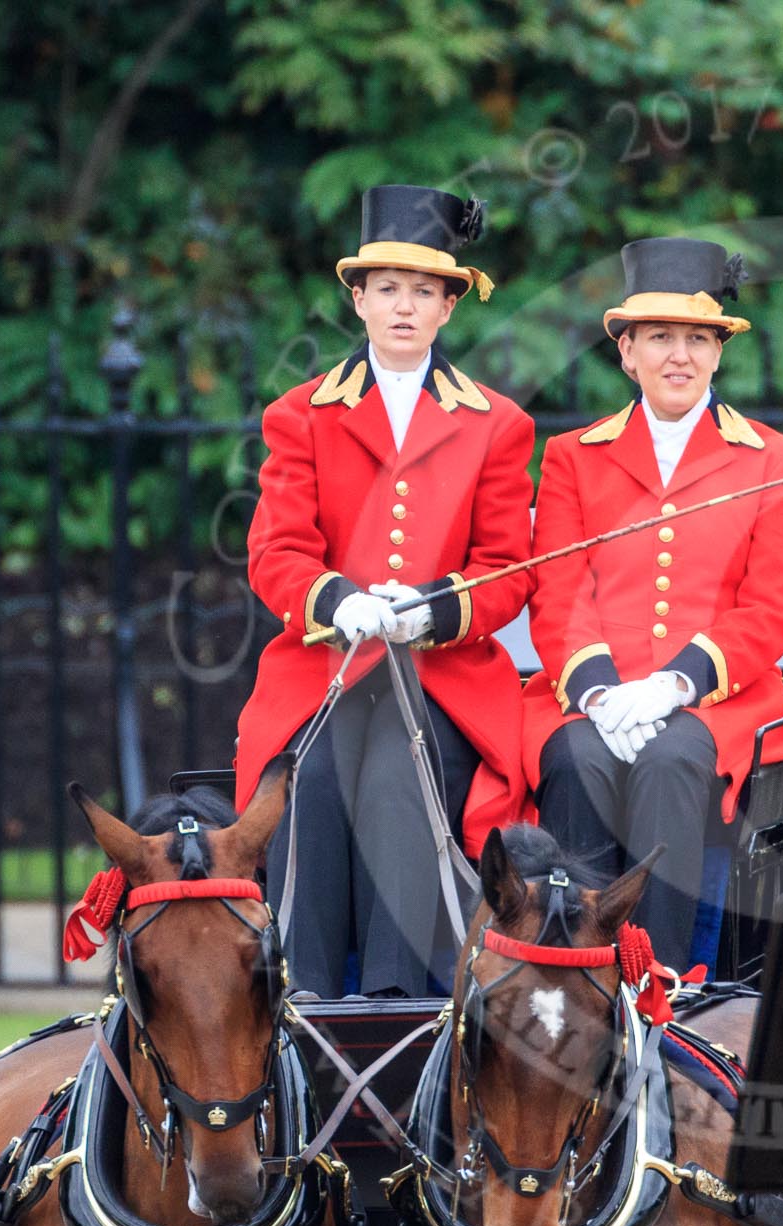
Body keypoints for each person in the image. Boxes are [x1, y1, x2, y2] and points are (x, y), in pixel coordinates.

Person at [234, 184, 534, 998]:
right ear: (358, 299)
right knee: (315, 781)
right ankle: (303, 1002)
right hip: (327, 670)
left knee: (407, 779)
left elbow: (508, 569)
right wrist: (341, 604)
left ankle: (398, 1005)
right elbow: (277, 552)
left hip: (443, 677)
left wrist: (433, 610)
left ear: (449, 307)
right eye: (389, 289)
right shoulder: (299, 415)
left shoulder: (497, 424)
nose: (405, 307)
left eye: (425, 291)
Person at [521, 237, 783, 969]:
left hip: (716, 700)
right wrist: (593, 692)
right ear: (627, 353)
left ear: (719, 353)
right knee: (574, 758)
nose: (678, 356)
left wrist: (673, 683)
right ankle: (569, 973)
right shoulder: (572, 456)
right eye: (658, 338)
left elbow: (774, 605)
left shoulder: (774, 460)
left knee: (672, 759)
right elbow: (559, 589)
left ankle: (661, 983)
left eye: (696, 338)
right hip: (590, 691)